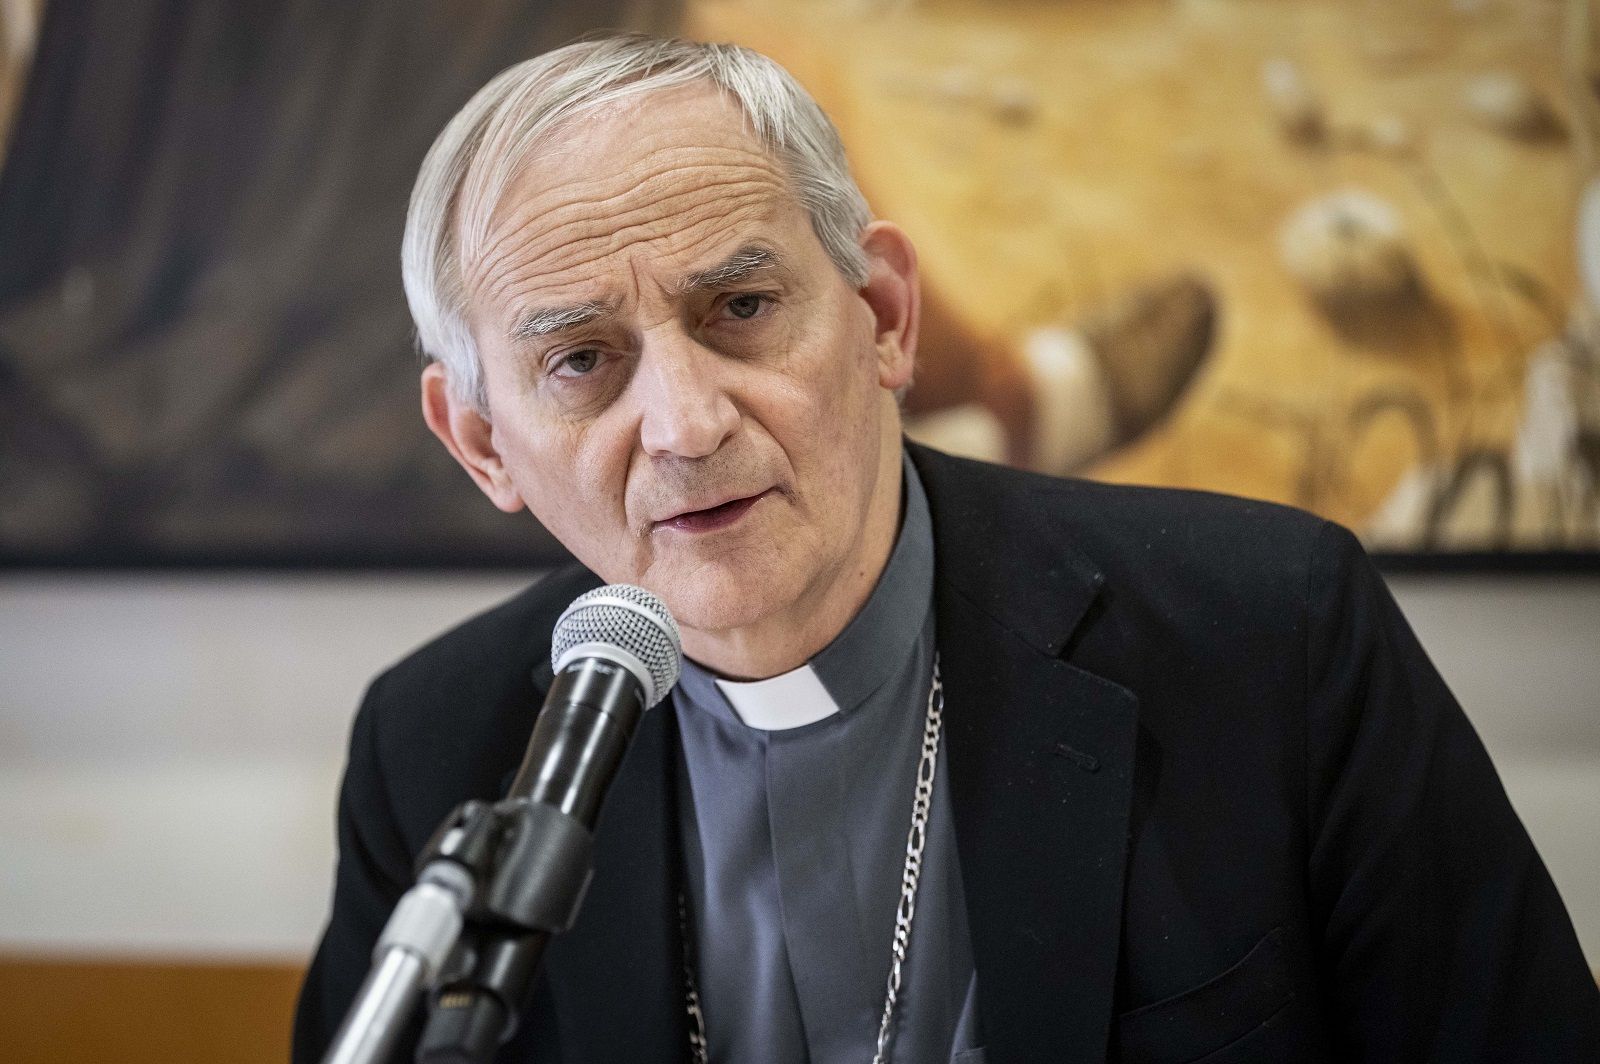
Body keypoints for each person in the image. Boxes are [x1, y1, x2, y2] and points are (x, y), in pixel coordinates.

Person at [293, 33, 1600, 1064]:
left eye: (741, 306)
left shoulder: (1274, 636)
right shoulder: (436, 750)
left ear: (884, 317)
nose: (687, 425)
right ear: (482, 443)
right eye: (583, 360)